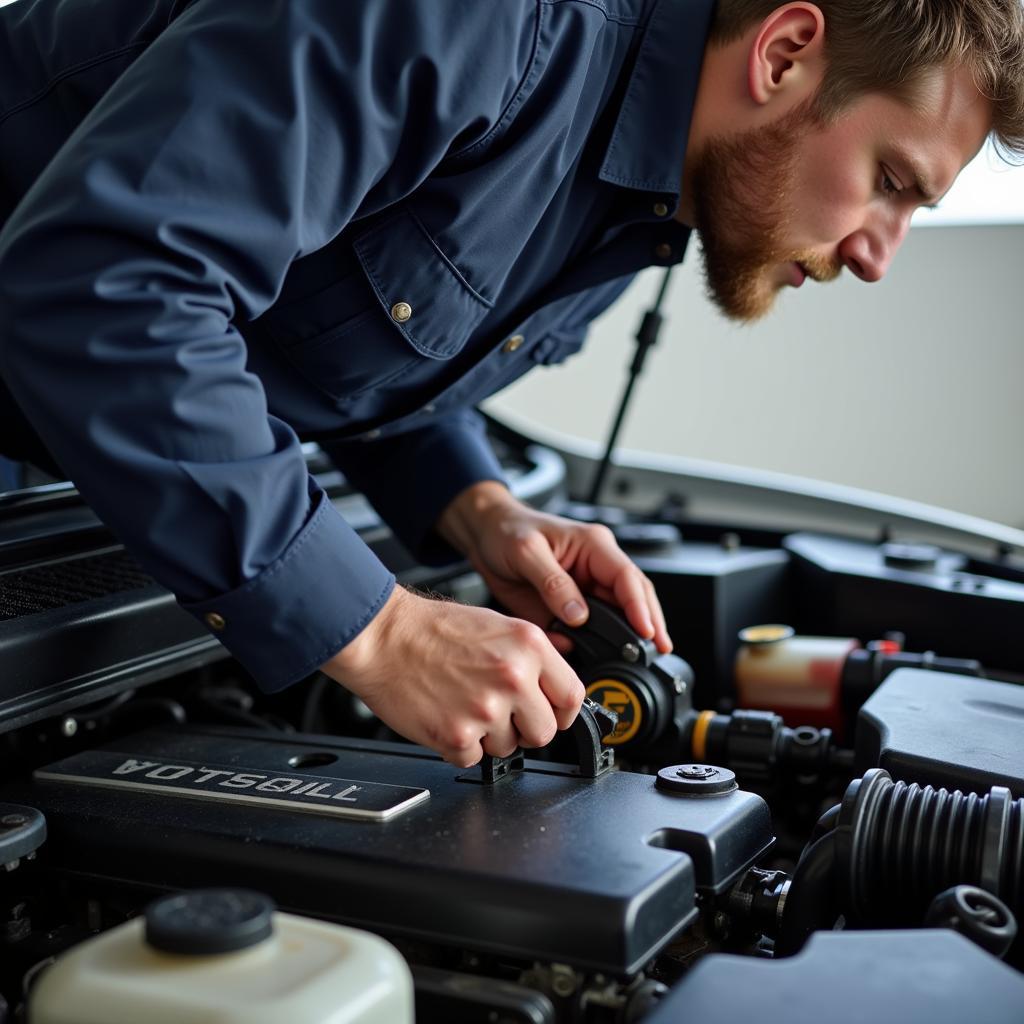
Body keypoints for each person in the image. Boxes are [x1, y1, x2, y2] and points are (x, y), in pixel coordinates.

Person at [0, 0, 1019, 767]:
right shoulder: (476, 21)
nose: (882, 256)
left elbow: (317, 321)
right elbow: (109, 278)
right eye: (891, 182)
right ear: (785, 52)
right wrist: (379, 629)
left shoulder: (647, 201)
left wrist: (477, 505)